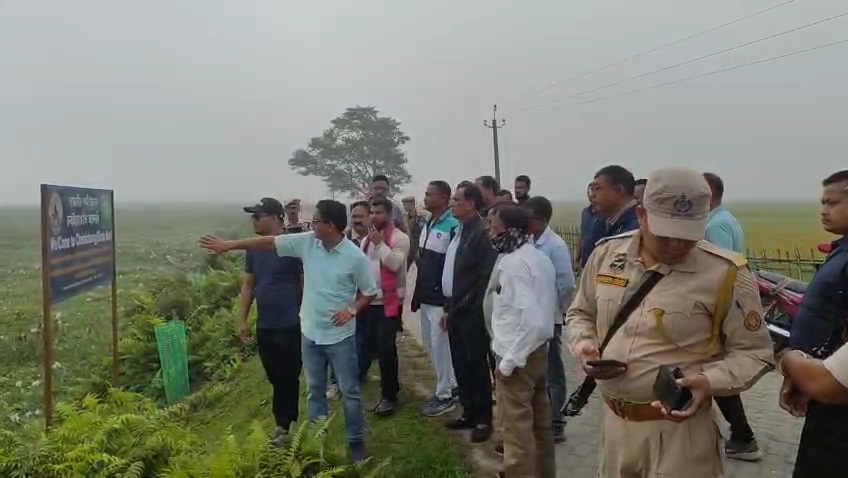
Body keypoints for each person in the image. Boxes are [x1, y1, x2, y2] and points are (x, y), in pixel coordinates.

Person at [566, 167, 774, 478]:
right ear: (642, 215)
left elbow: (755, 352)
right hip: (614, 427)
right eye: (666, 233)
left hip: (681, 437)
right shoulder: (608, 256)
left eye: (687, 235)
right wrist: (584, 345)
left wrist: (709, 381)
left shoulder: (725, 273)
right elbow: (580, 312)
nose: (677, 245)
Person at [198, 199, 379, 463]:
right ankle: (317, 444)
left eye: (317, 221)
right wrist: (229, 245)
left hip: (339, 337)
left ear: (330, 225)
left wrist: (351, 310)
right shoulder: (308, 243)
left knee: (349, 391)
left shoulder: (355, 257)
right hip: (310, 334)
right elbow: (269, 242)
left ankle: (355, 443)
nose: (312, 224)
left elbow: (369, 292)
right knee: (314, 390)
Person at [783, 170, 848, 478]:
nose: (824, 210)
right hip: (823, 384)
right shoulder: (842, 251)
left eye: (832, 202)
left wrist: (793, 363)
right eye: (822, 202)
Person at [488, 205, 557, 478]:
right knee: (540, 426)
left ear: (509, 229)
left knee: (516, 434)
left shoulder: (516, 263)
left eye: (493, 226)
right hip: (536, 351)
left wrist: (508, 363)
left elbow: (532, 319)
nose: (490, 231)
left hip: (518, 357)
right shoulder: (537, 258)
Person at [702, 171, 759, 460]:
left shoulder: (716, 226)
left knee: (717, 374)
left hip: (720, 313)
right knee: (713, 374)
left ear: (710, 193)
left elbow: (719, 274)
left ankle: (743, 436)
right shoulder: (724, 219)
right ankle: (740, 435)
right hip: (723, 311)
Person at [238, 198, 304, 446]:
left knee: (288, 375)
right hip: (265, 323)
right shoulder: (253, 248)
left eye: (258, 215)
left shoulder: (293, 246)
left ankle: (283, 426)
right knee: (274, 375)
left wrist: (302, 313)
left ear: (277, 218)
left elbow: (303, 283)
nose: (254, 220)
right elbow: (248, 285)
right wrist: (242, 320)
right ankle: (284, 421)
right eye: (252, 216)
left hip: (290, 323)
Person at [443, 183, 498, 443]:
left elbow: (484, 278)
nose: (453, 204)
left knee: (477, 366)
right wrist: (449, 308)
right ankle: (468, 412)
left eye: (457, 200)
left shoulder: (481, 233)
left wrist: (472, 308)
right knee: (461, 365)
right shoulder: (461, 230)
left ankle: (484, 418)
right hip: (455, 310)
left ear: (471, 203)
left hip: (472, 314)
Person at [523, 196, 575, 444]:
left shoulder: (555, 246)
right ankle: (542, 417)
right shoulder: (529, 241)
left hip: (549, 317)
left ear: (542, 219)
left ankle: (556, 422)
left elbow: (566, 283)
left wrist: (557, 311)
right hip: (531, 317)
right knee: (537, 371)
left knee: (553, 371)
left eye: (529, 219)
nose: (526, 224)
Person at [357, 198, 410, 416]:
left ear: (389, 215)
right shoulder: (365, 241)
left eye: (379, 212)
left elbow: (394, 264)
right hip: (367, 302)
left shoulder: (399, 238)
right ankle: (361, 379)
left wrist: (380, 244)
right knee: (367, 346)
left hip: (388, 303)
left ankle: (390, 396)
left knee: (387, 350)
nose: (374, 216)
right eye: (372, 212)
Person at [411, 180, 459, 417]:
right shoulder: (427, 223)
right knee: (431, 346)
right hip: (426, 297)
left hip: (441, 299)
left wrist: (449, 300)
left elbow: (453, 266)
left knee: (441, 347)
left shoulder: (453, 226)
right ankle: (449, 384)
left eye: (430, 194)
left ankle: (444, 395)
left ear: (444, 197)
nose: (425, 198)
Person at [592, 165, 639, 238]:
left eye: (598, 188)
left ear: (618, 190)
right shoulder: (606, 222)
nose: (593, 195)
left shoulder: (635, 226)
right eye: (592, 189)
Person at [577, 182, 605, 268]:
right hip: (586, 261)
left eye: (597, 190)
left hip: (600, 261)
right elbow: (582, 235)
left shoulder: (606, 213)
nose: (593, 194)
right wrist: (578, 258)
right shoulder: (585, 212)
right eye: (591, 190)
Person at [402, 196, 429, 271]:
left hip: (417, 246)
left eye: (405, 204)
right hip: (408, 247)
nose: (404, 207)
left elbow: (424, 232)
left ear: (412, 204)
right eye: (403, 205)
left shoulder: (420, 218)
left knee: (421, 270)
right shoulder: (404, 217)